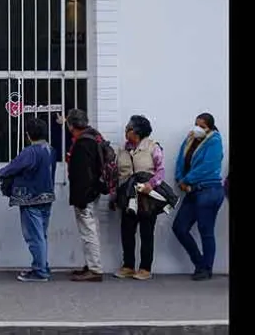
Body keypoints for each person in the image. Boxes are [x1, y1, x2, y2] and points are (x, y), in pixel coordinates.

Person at [0, 117, 56, 283]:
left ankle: (39, 271)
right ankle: (42, 265)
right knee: (41, 235)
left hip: (30, 198)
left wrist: (2, 172)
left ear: (28, 134)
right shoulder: (50, 150)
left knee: (34, 237)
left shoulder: (30, 152)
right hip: (47, 196)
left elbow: (10, 169)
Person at [171, 112, 226, 281]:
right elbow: (181, 159)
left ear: (210, 127)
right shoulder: (191, 139)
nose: (198, 128)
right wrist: (180, 178)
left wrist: (186, 179)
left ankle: (206, 269)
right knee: (179, 227)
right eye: (196, 124)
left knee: (206, 231)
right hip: (192, 191)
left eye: (202, 126)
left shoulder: (215, 142)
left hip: (209, 190)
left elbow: (207, 167)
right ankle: (200, 263)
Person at [113, 114, 164, 281]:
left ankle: (145, 268)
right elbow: (117, 174)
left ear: (136, 131)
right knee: (126, 231)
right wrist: (115, 195)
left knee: (147, 232)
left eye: (128, 128)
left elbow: (160, 170)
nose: (125, 130)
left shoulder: (152, 147)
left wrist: (152, 184)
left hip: (146, 196)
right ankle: (128, 266)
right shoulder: (123, 149)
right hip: (127, 195)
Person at [62, 109, 107, 282]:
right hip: (93, 191)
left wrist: (80, 199)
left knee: (88, 232)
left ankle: (95, 269)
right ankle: (91, 265)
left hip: (85, 195)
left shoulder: (82, 144)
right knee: (91, 230)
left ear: (71, 125)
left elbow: (82, 175)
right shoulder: (94, 137)